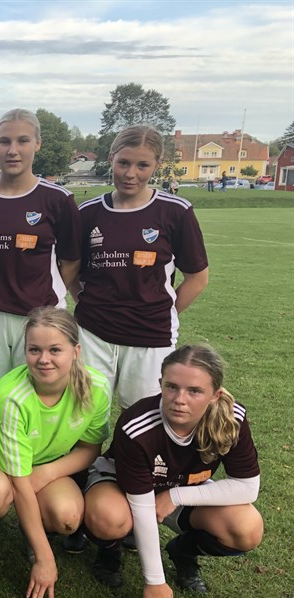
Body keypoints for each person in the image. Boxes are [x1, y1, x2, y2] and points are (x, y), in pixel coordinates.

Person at [82, 346, 262, 598]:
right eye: (172, 387)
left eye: (195, 391)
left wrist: (175, 495)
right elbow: (142, 506)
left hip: (178, 490)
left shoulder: (232, 419)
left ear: (215, 395)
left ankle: (183, 551)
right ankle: (110, 548)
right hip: (121, 489)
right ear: (161, 384)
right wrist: (155, 582)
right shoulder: (137, 425)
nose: (180, 399)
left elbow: (247, 487)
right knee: (109, 518)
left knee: (247, 528)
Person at [0, 307, 111, 598]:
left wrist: (47, 473)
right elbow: (19, 481)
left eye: (55, 350)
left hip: (45, 463)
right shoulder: (10, 395)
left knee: (67, 517)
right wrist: (45, 559)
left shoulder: (97, 388)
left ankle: (35, 533)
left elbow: (89, 449)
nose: (43, 359)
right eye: (34, 349)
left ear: (75, 352)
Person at [0, 109, 82, 419]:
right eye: (5, 142)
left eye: (23, 141)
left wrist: (46, 293)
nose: (13, 150)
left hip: (38, 318)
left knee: (38, 406)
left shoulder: (58, 199)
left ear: (37, 144)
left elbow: (71, 260)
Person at [73, 126, 209, 410]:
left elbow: (197, 278)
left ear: (157, 164)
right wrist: (86, 302)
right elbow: (73, 271)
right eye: (123, 163)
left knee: (141, 416)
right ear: (111, 158)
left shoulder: (175, 211)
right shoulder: (88, 212)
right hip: (93, 332)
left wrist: (164, 311)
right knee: (86, 412)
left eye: (142, 165)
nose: (130, 173)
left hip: (150, 335)